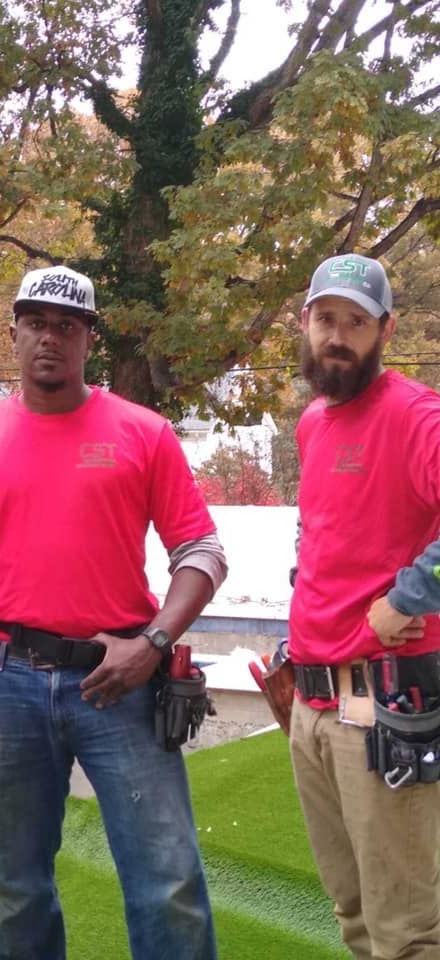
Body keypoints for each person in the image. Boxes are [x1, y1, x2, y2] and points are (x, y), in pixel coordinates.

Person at [0, 265, 227, 960]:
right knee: (19, 887)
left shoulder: (142, 433)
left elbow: (202, 551)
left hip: (120, 681)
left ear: (90, 338)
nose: (48, 339)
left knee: (167, 881)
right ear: (15, 334)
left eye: (66, 326)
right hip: (7, 683)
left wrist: (153, 642)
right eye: (35, 325)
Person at [289, 253, 440, 960]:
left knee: (406, 932)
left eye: (356, 322)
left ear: (386, 329)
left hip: (385, 703)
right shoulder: (314, 423)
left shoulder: (417, 416)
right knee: (352, 914)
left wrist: (409, 595)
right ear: (306, 323)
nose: (338, 336)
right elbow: (326, 537)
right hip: (313, 708)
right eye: (327, 319)